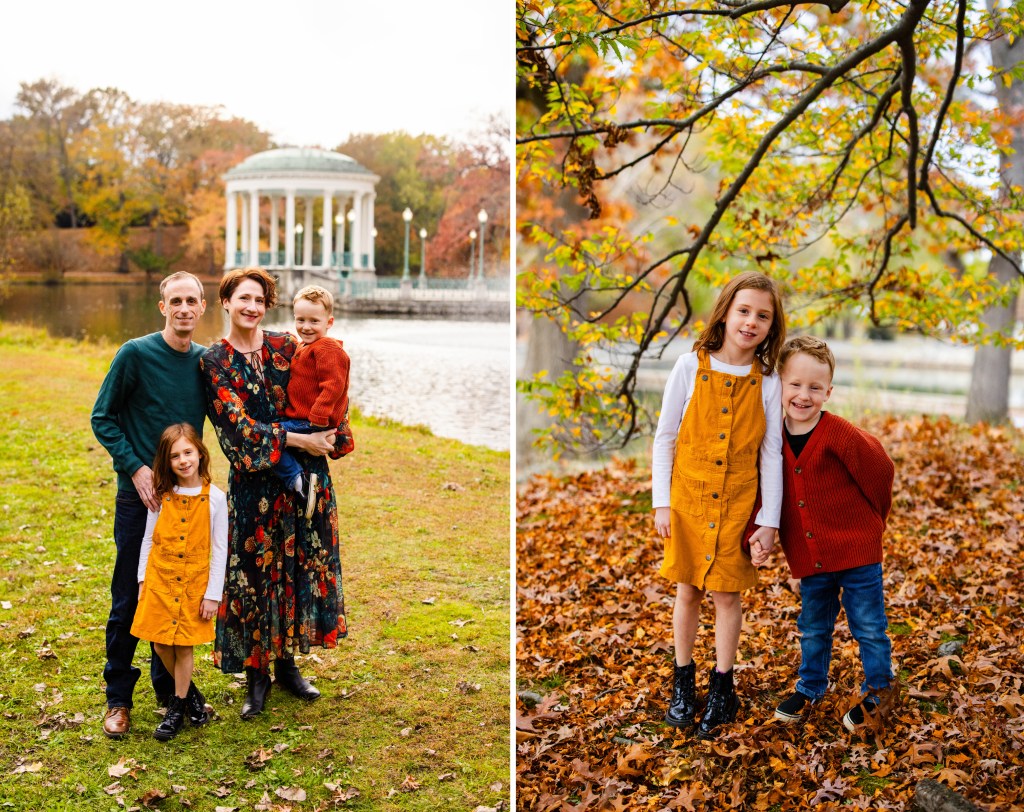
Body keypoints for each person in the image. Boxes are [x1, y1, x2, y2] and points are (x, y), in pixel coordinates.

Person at [200, 268, 346, 720]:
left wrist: (331, 432)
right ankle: (256, 675)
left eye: (260, 300)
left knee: (296, 569)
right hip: (254, 485)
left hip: (305, 482)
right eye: (244, 298)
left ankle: (287, 666)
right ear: (226, 301)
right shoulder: (215, 361)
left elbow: (327, 387)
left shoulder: (287, 345)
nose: (252, 307)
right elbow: (238, 430)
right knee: (254, 578)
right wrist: (302, 439)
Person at [651, 271, 786, 739]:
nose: (751, 322)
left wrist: (769, 520)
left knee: (727, 595)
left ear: (771, 325)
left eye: (762, 316)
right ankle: (683, 681)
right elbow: (665, 437)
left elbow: (771, 453)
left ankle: (723, 687)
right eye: (743, 311)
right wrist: (662, 502)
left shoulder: (768, 381)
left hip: (736, 504)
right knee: (688, 589)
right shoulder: (690, 366)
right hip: (687, 499)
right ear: (726, 312)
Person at [91, 271, 208, 739]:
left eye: (191, 301)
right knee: (130, 595)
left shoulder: (205, 362)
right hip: (139, 498)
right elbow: (102, 417)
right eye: (175, 301)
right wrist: (136, 468)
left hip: (184, 503)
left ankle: (170, 691)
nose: (184, 309)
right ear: (163, 307)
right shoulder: (134, 354)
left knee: (175, 596)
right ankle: (118, 697)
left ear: (203, 307)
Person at [759, 336, 896, 732]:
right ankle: (811, 686)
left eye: (815, 387)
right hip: (812, 557)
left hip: (857, 552)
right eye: (795, 384)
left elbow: (881, 471)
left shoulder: (840, 434)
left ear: (828, 392)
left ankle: (880, 687)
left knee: (868, 626)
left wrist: (873, 523)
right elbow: (766, 489)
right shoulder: (771, 438)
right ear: (779, 384)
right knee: (813, 626)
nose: (804, 395)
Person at [131, 423, 227, 740]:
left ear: (200, 454)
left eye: (188, 452)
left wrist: (212, 595)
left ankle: (177, 708)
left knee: (184, 645)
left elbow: (220, 550)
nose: (183, 460)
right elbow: (148, 539)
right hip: (159, 578)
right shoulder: (163, 496)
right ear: (167, 461)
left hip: (193, 583)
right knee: (160, 643)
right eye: (175, 456)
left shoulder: (216, 499)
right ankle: (193, 697)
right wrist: (143, 579)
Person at [271, 284, 352, 519]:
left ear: (329, 322)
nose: (306, 327)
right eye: (300, 320)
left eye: (314, 321)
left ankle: (297, 479)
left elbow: (334, 385)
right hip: (304, 418)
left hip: (311, 420)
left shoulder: (327, 347)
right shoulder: (307, 345)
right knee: (273, 437)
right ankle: (298, 478)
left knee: (270, 439)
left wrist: (318, 416)